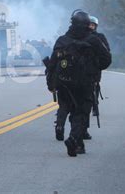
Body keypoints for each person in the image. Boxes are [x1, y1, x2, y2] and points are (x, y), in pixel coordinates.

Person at [46, 10, 111, 157]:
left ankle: (76, 142)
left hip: (64, 84)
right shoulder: (93, 40)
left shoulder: (62, 40)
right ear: (87, 24)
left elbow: (52, 64)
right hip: (85, 83)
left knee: (67, 107)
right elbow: (107, 59)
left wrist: (51, 84)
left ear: (72, 23)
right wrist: (95, 68)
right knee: (80, 113)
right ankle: (75, 139)